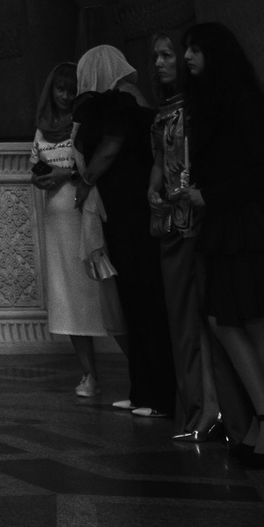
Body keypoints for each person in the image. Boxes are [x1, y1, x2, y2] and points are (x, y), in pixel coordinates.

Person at [182, 22, 264, 467]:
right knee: (231, 320)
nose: (187, 57)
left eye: (196, 49)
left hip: (247, 221)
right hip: (229, 220)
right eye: (186, 49)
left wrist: (211, 194)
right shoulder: (211, 102)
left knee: (247, 319)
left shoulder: (240, 99)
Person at [74, 45, 177, 417]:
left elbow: (111, 145)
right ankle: (142, 391)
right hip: (123, 211)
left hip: (130, 210)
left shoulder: (117, 103)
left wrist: (86, 180)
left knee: (144, 299)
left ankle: (160, 394)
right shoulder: (127, 102)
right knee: (135, 300)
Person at [148, 31, 222, 442]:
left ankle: (213, 405)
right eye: (155, 56)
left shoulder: (197, 108)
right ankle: (195, 403)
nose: (160, 63)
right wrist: (152, 188)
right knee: (180, 317)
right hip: (171, 219)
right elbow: (160, 158)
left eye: (167, 55)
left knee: (202, 315)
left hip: (198, 218)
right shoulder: (164, 110)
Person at [30, 58, 110, 399]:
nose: (64, 96)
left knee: (101, 292)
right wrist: (42, 178)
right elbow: (36, 166)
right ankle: (88, 373)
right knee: (69, 298)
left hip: (86, 216)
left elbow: (94, 167)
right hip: (57, 222)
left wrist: (65, 174)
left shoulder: (84, 124)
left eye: (70, 90)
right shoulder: (43, 129)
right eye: (59, 90)